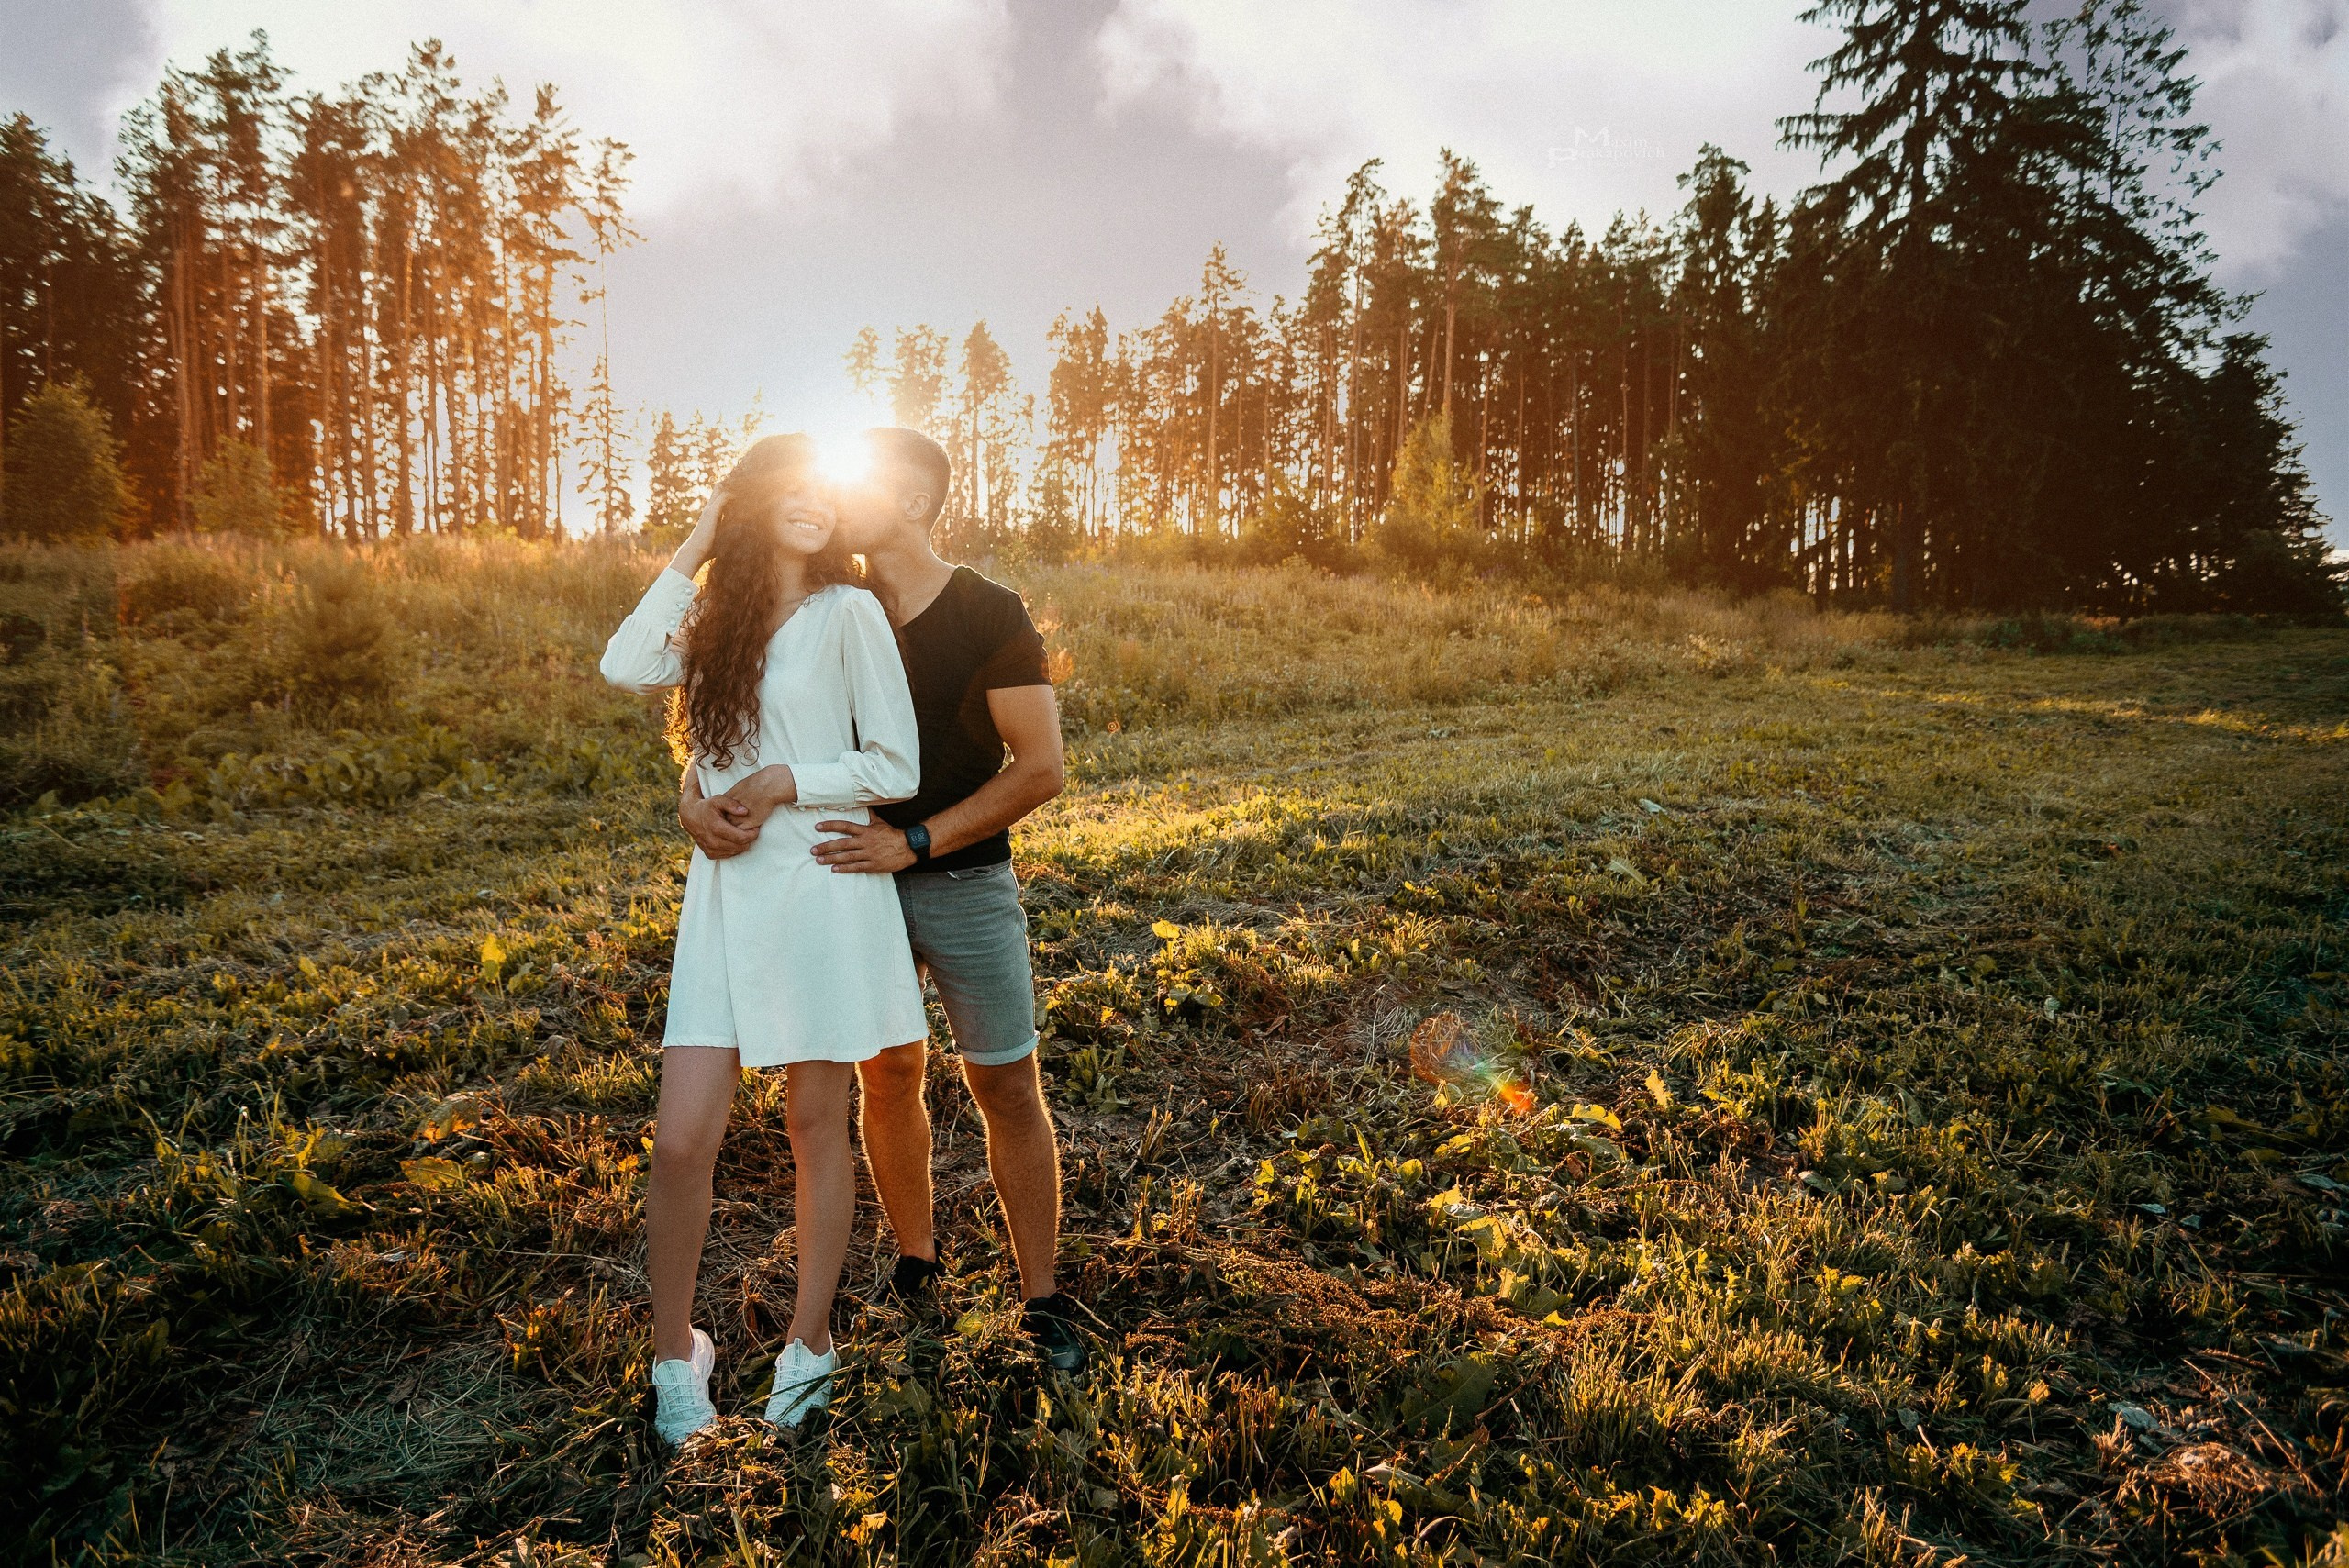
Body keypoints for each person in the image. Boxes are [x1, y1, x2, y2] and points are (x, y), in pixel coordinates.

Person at [680, 427, 1086, 1373]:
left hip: (962, 880)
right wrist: (690, 798)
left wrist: (913, 841)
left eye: (856, 483)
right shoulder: (826, 600)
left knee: (1004, 1081)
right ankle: (917, 1262)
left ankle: (1041, 1298)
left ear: (909, 501)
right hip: (843, 880)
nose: (834, 497)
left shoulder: (987, 610)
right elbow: (729, 717)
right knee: (888, 1075)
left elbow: (1041, 768)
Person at [600, 433, 925, 1446]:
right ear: (750, 500)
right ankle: (676, 1356)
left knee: (814, 1124)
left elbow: (897, 764)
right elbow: (623, 664)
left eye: (825, 484)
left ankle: (809, 1342)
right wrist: (702, 534)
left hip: (820, 885)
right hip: (726, 894)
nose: (813, 497)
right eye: (788, 484)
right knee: (679, 1140)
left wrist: (790, 779)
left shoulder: (849, 610)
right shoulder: (716, 622)